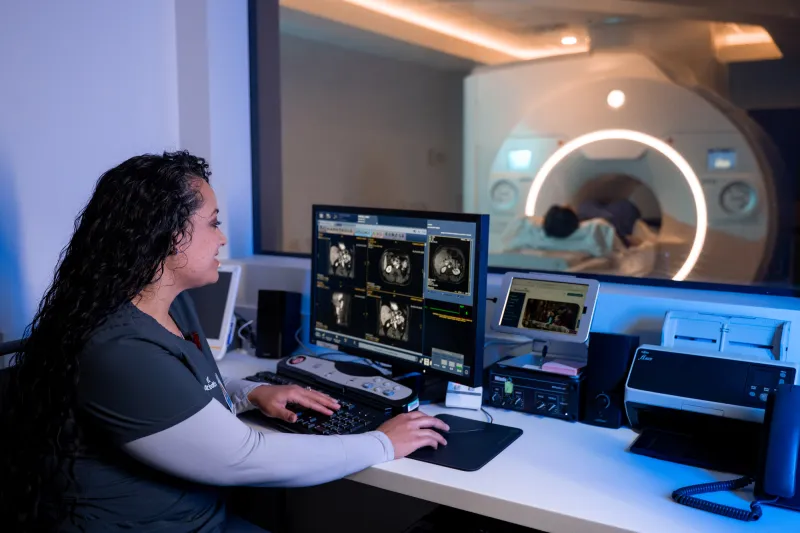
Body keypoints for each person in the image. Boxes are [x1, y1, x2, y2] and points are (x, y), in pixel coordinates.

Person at [0, 151, 449, 533]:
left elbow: (179, 390)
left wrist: (249, 392)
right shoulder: (120, 349)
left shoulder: (170, 305)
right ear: (167, 235)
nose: (223, 238)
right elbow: (245, 456)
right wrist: (382, 443)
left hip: (199, 518)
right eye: (213, 224)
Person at [543, 199, 642, 245]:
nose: (566, 203)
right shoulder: (597, 226)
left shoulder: (583, 210)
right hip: (623, 214)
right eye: (564, 207)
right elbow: (623, 239)